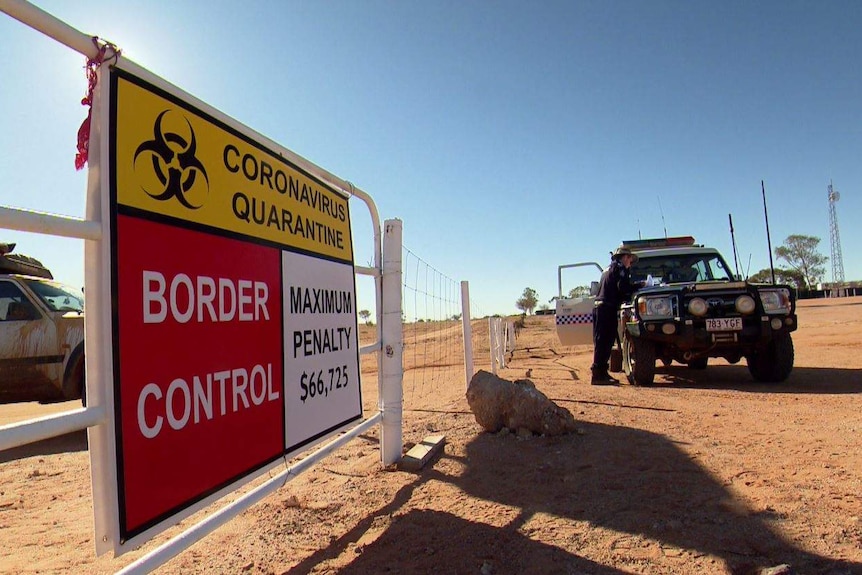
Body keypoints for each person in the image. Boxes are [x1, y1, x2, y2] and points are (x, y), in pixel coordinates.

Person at [591, 246, 640, 385]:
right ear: (625, 257)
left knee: (603, 340)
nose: (630, 263)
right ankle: (598, 375)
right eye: (630, 259)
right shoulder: (620, 269)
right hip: (606, 307)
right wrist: (638, 286)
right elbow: (623, 288)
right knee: (604, 341)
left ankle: (601, 373)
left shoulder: (609, 268)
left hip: (601, 307)